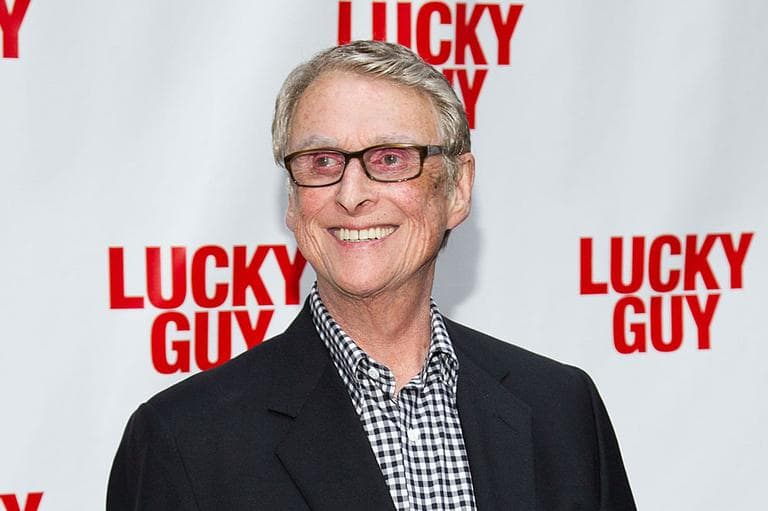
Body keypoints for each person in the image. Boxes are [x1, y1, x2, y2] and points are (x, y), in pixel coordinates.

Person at [108, 40, 636, 510]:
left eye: (389, 158)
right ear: (292, 204)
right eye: (321, 162)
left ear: (457, 188)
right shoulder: (184, 440)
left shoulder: (563, 409)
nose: (352, 194)